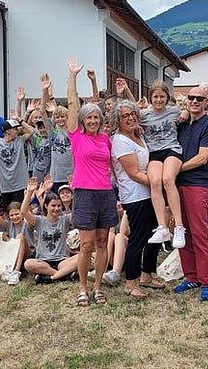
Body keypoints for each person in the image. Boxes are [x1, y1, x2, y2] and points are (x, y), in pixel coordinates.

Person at [66, 57, 118, 306]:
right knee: (86, 245)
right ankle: (83, 287)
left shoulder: (106, 139)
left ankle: (98, 287)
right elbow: (73, 104)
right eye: (89, 118)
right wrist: (73, 76)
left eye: (96, 118)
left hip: (105, 193)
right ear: (83, 121)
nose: (93, 121)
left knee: (102, 242)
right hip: (85, 193)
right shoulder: (76, 137)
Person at [110, 100, 166, 299]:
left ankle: (146, 274)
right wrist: (157, 183)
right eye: (125, 116)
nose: (131, 117)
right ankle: (130, 282)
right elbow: (133, 173)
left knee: (155, 234)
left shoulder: (137, 135)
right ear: (117, 120)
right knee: (138, 239)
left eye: (133, 113)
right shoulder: (120, 141)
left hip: (149, 193)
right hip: (135, 196)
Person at [173, 85, 208, 302]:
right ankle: (191, 276)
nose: (194, 101)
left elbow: (203, 157)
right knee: (182, 231)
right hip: (176, 185)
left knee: (200, 234)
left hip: (196, 184)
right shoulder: (181, 122)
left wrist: (176, 169)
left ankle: (207, 282)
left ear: (205, 101)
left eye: (199, 98)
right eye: (191, 98)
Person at [132, 80, 189, 248]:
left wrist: (185, 111)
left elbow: (187, 110)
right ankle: (162, 227)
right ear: (151, 98)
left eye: (162, 97)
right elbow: (132, 116)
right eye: (155, 97)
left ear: (167, 98)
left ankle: (179, 227)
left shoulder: (174, 111)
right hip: (155, 152)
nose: (158, 100)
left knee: (167, 179)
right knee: (155, 182)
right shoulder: (144, 115)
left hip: (172, 149)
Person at [21, 178, 79, 284]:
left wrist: (74, 191)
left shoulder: (65, 219)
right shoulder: (39, 220)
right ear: (46, 206)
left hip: (63, 261)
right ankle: (63, 275)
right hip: (43, 261)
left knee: (81, 257)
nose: (56, 208)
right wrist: (29, 193)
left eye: (59, 206)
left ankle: (50, 277)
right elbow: (24, 212)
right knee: (28, 264)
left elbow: (78, 209)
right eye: (53, 205)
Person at [40, 73, 73, 194]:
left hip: (72, 174)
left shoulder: (72, 131)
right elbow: (42, 112)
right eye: (57, 117)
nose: (60, 119)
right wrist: (45, 91)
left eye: (63, 117)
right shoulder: (53, 131)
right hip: (56, 175)